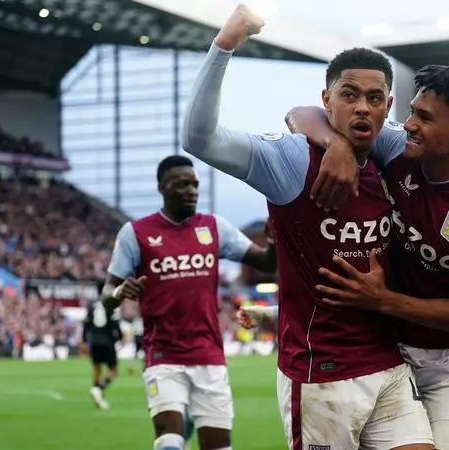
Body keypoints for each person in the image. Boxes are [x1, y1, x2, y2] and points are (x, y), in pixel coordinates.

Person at [180, 5, 434, 450]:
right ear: (326, 100)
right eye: (349, 94)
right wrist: (225, 44)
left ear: (388, 107)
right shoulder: (291, 160)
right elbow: (201, 139)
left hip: (389, 364)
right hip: (322, 374)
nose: (362, 106)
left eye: (375, 98)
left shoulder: (394, 155)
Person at [286, 64, 449, 449]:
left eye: (425, 118)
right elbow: (302, 114)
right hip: (387, 349)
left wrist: (384, 300)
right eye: (412, 112)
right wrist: (336, 144)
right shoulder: (397, 146)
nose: (409, 124)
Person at [101, 154, 277, 450]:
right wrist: (119, 292)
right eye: (181, 184)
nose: (191, 191)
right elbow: (106, 295)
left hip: (209, 357)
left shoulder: (214, 227)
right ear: (162, 188)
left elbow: (267, 262)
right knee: (170, 443)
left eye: (194, 184)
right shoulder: (136, 233)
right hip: (163, 357)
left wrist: (273, 240)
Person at [81, 298, 121, 410]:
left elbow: (86, 325)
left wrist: (84, 340)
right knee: (113, 370)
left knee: (97, 369)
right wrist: (120, 337)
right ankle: (99, 389)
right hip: (107, 342)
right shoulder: (110, 306)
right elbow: (116, 324)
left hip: (94, 342)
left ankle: (98, 396)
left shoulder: (91, 306)